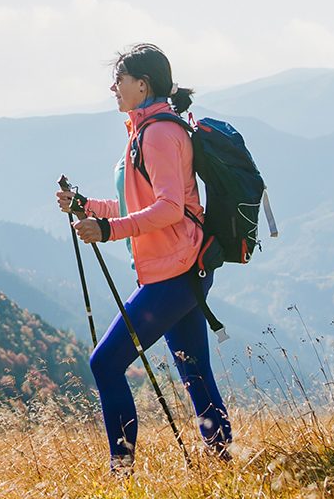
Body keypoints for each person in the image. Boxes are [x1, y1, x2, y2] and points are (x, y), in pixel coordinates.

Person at [56, 43, 230, 475]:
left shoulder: (159, 134)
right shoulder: (145, 130)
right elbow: (133, 202)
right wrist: (86, 206)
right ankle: (223, 461)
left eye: (119, 79)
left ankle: (122, 471)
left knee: (105, 362)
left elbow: (169, 208)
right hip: (181, 268)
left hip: (174, 273)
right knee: (193, 370)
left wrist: (110, 231)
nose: (113, 87)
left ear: (142, 84)